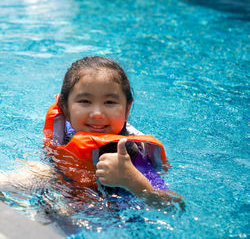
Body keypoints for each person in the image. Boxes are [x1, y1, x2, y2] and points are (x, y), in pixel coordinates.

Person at [48, 56, 184, 209]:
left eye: (110, 102)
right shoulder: (66, 134)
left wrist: (131, 179)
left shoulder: (130, 157)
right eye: (85, 101)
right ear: (65, 108)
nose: (97, 113)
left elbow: (175, 206)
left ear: (127, 109)